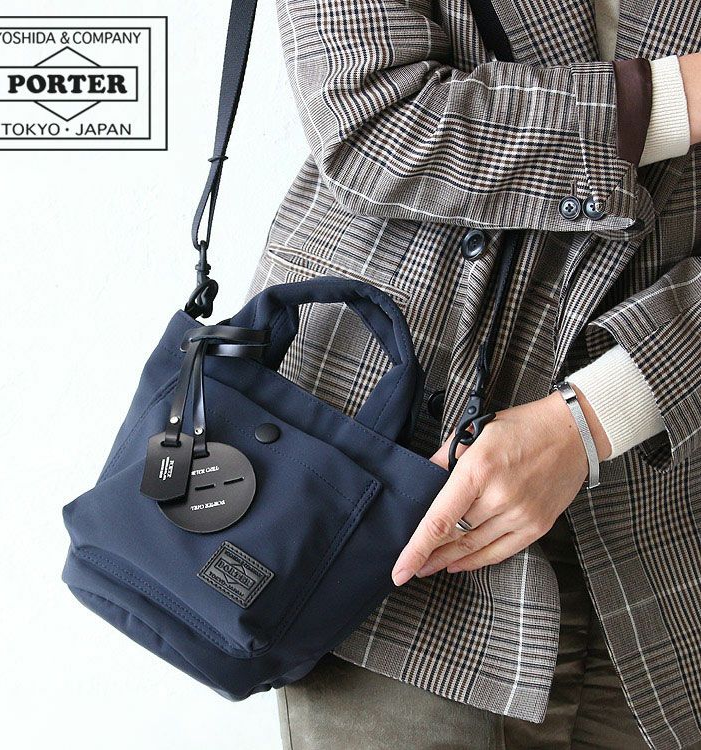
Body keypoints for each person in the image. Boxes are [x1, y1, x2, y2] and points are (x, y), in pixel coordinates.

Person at [244, 1, 701, 747]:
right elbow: (372, 118)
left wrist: (598, 415)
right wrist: (680, 96)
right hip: (395, 512)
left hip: (664, 546)